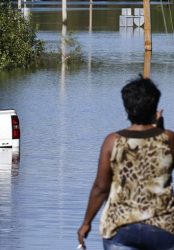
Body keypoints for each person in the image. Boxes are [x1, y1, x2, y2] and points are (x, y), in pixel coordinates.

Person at [77, 75, 174, 250]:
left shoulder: (113, 141)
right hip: (162, 226)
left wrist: (86, 223)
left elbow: (101, 188)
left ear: (127, 110)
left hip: (121, 226)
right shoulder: (168, 138)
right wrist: (159, 127)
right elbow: (158, 156)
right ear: (155, 109)